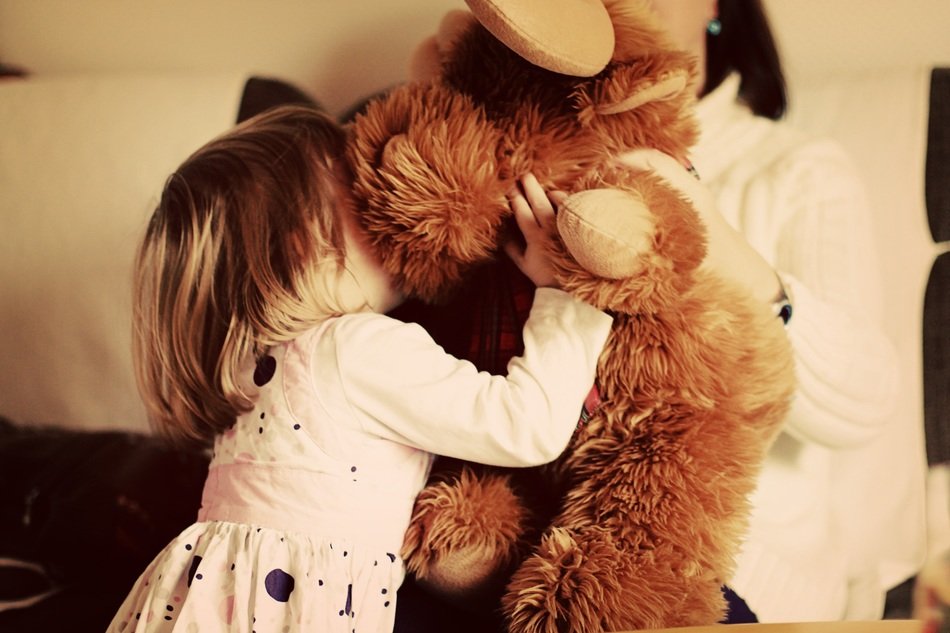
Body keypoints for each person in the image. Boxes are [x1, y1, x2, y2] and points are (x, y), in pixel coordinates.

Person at [106, 105, 613, 632]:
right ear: (303, 241)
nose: (383, 207)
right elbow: (525, 425)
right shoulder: (353, 347)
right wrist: (564, 293)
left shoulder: (248, 368)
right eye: (360, 193)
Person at [630, 0, 909, 623]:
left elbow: (863, 401)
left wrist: (708, 236)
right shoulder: (535, 169)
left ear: (716, 7)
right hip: (532, 547)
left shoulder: (797, 169)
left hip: (738, 566)